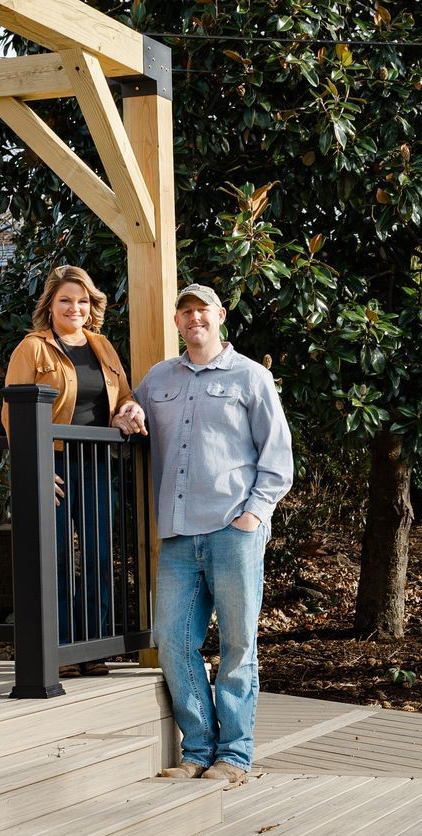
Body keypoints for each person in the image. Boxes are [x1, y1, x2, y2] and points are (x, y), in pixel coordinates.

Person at [129, 284, 293, 783]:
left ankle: (235, 756)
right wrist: (127, 412)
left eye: (202, 310)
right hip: (178, 535)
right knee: (174, 641)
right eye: (185, 312)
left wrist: (254, 514)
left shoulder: (251, 376)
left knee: (240, 644)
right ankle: (197, 750)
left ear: (219, 316)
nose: (194, 318)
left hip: (233, 529)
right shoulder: (158, 379)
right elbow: (130, 417)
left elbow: (278, 457)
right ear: (177, 323)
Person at [3, 265, 140, 665]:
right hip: (55, 463)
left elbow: (123, 396)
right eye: (65, 300)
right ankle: (60, 648)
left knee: (99, 554)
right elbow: (14, 413)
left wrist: (126, 412)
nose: (74, 308)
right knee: (58, 557)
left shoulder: (103, 346)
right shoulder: (32, 347)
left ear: (91, 304)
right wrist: (36, 467)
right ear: (50, 305)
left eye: (82, 300)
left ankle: (93, 646)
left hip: (95, 461)